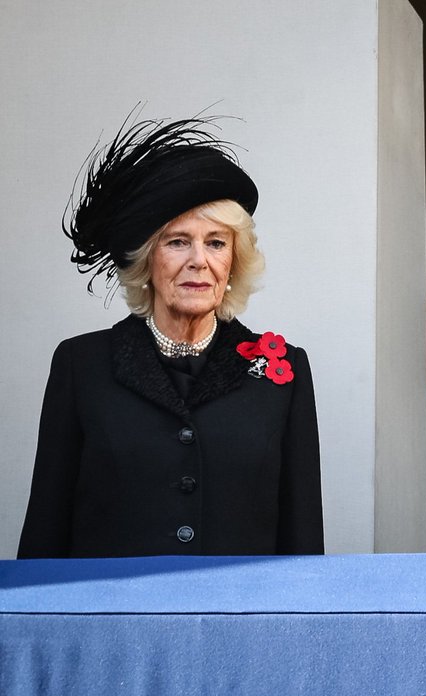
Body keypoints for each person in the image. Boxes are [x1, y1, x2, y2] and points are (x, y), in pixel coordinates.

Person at [18, 115, 324, 557]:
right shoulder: (81, 366)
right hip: (112, 603)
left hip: (239, 604)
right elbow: (45, 534)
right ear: (147, 261)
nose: (199, 260)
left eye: (216, 243)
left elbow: (302, 541)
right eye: (178, 241)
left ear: (233, 262)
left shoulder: (284, 372)